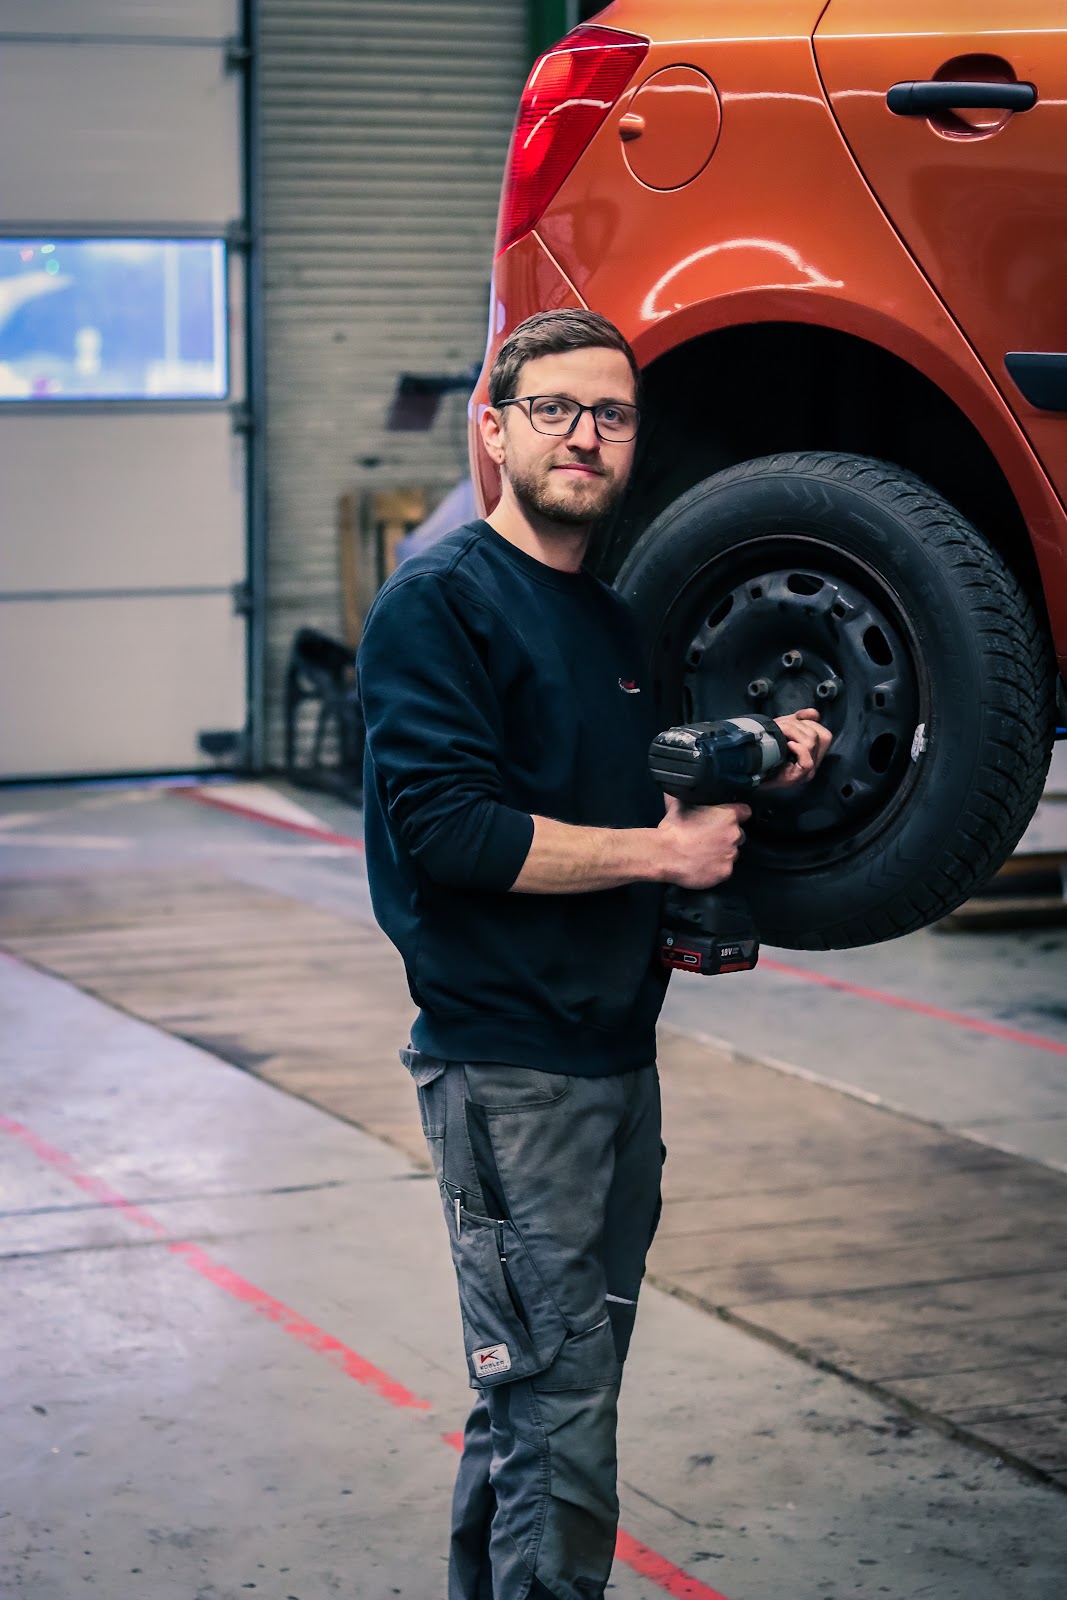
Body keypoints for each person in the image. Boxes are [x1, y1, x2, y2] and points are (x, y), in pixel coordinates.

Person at [357, 309, 831, 1600]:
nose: (584, 435)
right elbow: (453, 832)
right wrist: (663, 855)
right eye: (555, 409)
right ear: (494, 429)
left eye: (611, 414)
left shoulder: (615, 622)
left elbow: (649, 795)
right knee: (558, 1416)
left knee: (543, 1395)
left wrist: (773, 756)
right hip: (511, 1073)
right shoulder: (442, 604)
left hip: (616, 1063)